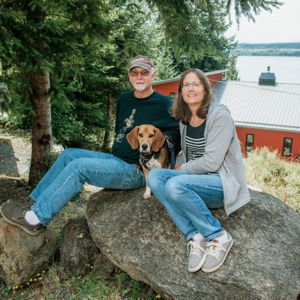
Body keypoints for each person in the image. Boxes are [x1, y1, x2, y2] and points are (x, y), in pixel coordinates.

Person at [0, 55, 179, 235]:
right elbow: (122, 133)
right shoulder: (124, 99)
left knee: (79, 167)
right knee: (69, 155)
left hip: (137, 169)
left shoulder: (165, 103)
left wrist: (161, 157)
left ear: (153, 76)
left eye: (144, 72)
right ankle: (35, 206)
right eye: (135, 73)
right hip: (117, 158)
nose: (139, 77)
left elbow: (176, 136)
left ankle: (36, 219)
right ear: (129, 76)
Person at [147, 68, 250, 273]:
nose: (190, 89)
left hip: (220, 182)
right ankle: (195, 235)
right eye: (186, 85)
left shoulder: (220, 116)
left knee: (175, 184)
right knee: (155, 177)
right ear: (181, 91)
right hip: (194, 182)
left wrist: (181, 170)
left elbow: (212, 162)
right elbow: (188, 153)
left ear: (205, 88)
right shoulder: (185, 118)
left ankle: (218, 236)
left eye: (196, 84)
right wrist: (179, 169)